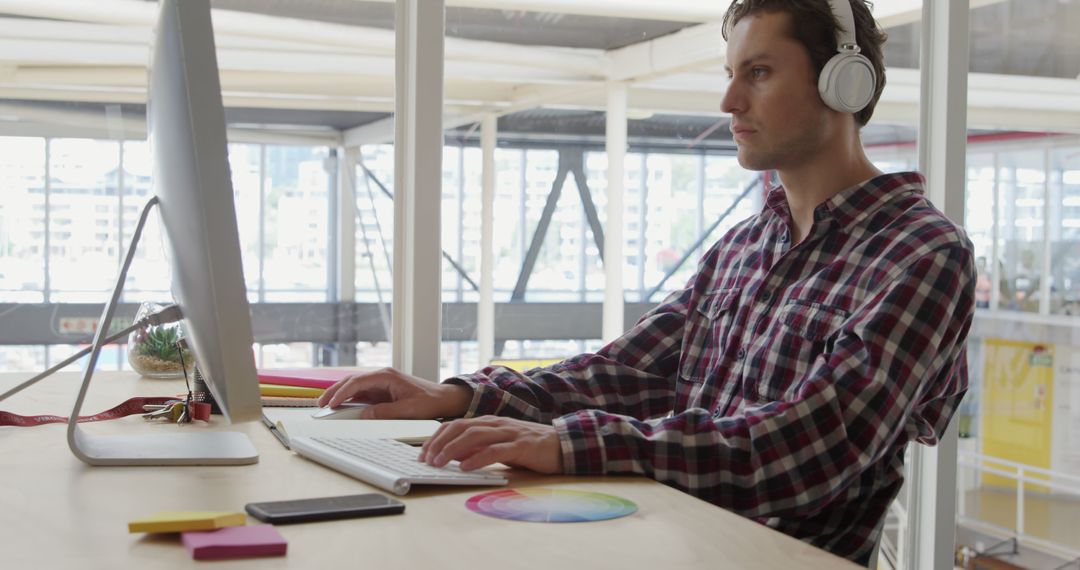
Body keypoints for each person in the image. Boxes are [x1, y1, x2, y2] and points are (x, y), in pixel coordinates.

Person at [318, 0, 976, 564]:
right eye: (730, 74)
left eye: (760, 73)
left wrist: (573, 444)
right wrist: (463, 396)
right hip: (668, 543)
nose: (729, 101)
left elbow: (814, 443)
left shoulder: (922, 254)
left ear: (844, 84)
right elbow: (624, 373)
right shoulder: (744, 247)